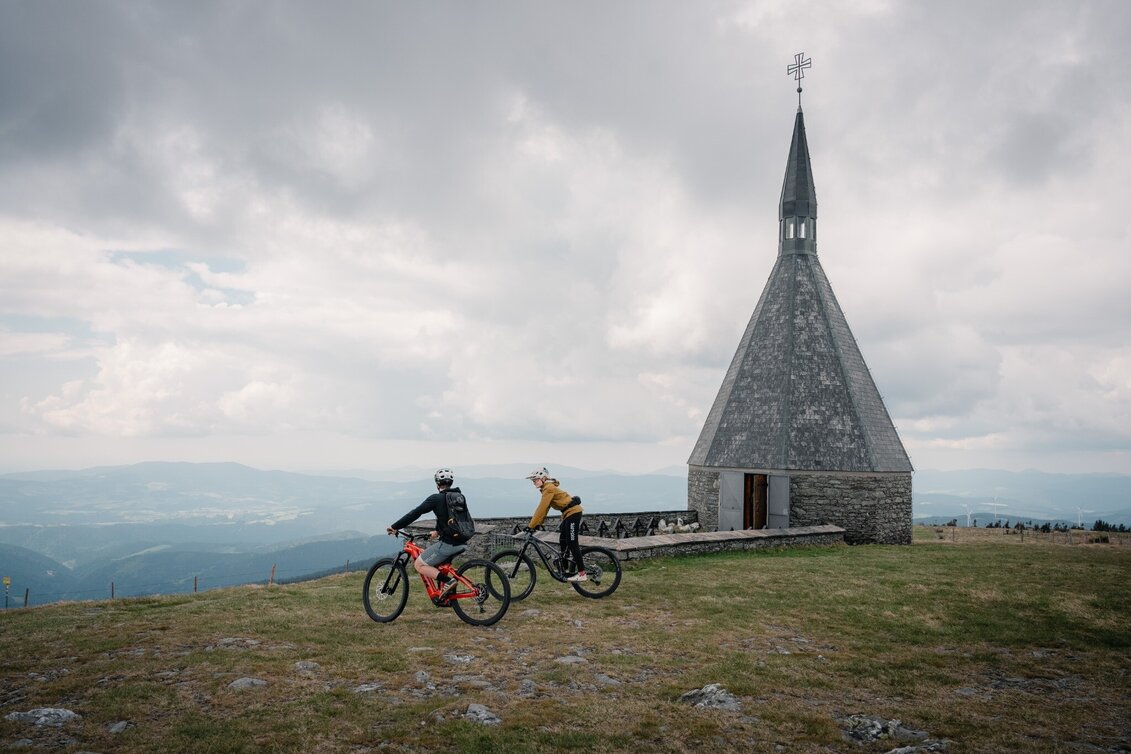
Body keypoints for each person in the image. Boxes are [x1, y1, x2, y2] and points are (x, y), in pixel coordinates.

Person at [387, 468, 466, 601]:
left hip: (448, 543)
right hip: (462, 540)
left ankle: (449, 581)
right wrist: (438, 531)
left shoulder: (436, 498)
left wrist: (395, 526)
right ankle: (446, 597)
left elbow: (415, 513)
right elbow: (450, 519)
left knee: (419, 565)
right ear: (451, 483)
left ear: (437, 483)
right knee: (438, 565)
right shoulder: (458, 497)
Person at [524, 467, 586, 582]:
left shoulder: (548, 488)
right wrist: (537, 524)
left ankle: (582, 573)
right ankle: (565, 569)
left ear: (543, 478)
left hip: (573, 513)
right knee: (563, 540)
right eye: (533, 480)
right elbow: (545, 509)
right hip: (568, 514)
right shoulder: (546, 488)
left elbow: (541, 508)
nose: (534, 482)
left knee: (572, 543)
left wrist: (531, 526)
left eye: (535, 479)